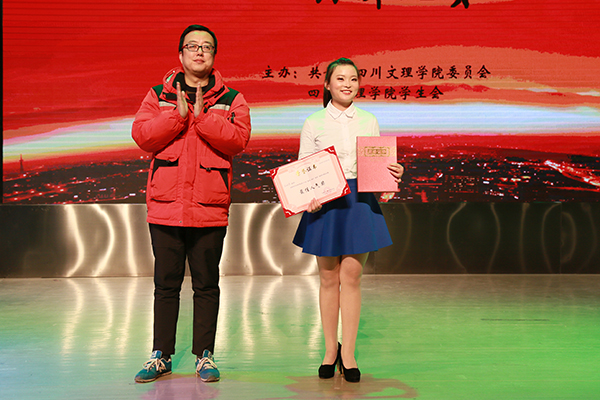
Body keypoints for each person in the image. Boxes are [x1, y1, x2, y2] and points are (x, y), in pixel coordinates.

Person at [131, 24, 251, 383]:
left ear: (214, 55)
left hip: (209, 210)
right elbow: (143, 136)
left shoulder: (232, 99)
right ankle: (161, 356)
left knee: (206, 285)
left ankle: (205, 356)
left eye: (207, 47)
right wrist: (177, 115)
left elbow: (238, 140)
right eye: (192, 46)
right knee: (165, 285)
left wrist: (202, 118)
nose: (199, 51)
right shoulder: (158, 95)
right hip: (166, 207)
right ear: (180, 54)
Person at [292, 58, 403, 383]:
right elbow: (302, 168)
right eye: (340, 79)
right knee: (328, 279)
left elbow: (377, 165)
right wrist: (308, 197)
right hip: (325, 203)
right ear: (327, 84)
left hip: (358, 201)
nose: (347, 84)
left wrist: (393, 174)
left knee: (351, 277)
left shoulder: (369, 120)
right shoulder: (313, 122)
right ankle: (330, 351)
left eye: (353, 79)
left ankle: (349, 353)